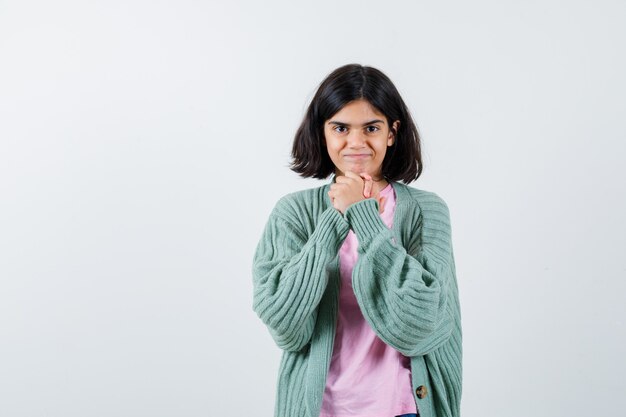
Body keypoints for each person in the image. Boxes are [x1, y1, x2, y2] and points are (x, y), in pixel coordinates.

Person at [252, 64, 462, 417]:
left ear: (392, 133)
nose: (356, 142)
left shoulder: (427, 211)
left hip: (405, 409)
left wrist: (365, 220)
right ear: (322, 133)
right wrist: (337, 217)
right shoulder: (293, 213)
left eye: (371, 128)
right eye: (340, 128)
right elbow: (284, 325)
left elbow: (423, 324)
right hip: (319, 409)